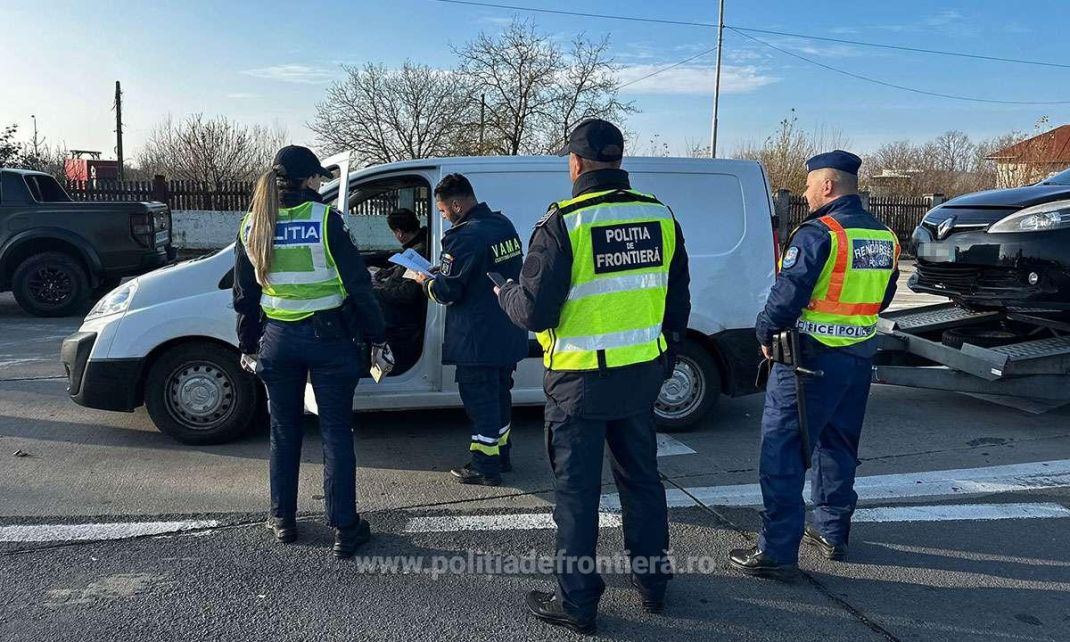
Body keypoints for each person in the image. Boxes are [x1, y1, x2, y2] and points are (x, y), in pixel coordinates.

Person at [497, 118, 691, 634]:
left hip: (579, 383)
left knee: (577, 495)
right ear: (619, 160)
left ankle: (578, 602)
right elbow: (678, 305)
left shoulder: (564, 222)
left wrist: (503, 294)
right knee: (642, 482)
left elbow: (535, 313)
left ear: (575, 163)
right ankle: (653, 585)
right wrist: (662, 360)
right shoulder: (660, 216)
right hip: (641, 377)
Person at [729, 150, 899, 579]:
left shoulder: (821, 233)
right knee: (838, 446)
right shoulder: (884, 236)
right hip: (858, 357)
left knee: (783, 452)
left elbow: (787, 295)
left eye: (809, 186)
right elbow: (883, 297)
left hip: (808, 361)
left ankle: (776, 551)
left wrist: (765, 334)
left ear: (828, 185)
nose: (805, 195)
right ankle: (831, 532)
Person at [233, 145, 389, 559]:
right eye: (317, 177)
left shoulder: (253, 223)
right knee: (336, 432)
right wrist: (377, 337)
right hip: (329, 338)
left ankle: (282, 519)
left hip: (278, 340)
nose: (321, 182)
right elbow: (359, 286)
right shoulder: (325, 221)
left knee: (284, 432)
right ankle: (344, 529)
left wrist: (247, 344)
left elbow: (244, 294)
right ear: (307, 180)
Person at [413, 174, 527, 486]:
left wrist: (425, 283)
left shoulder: (462, 237)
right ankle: (501, 455)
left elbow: (448, 292)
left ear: (457, 205)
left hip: (477, 338)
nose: (443, 216)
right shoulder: (503, 225)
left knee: (481, 401)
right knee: (500, 394)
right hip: (507, 328)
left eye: (442, 211)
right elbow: (486, 269)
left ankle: (484, 465)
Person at [372, 208, 429, 373]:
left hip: (400, 319)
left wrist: (374, 292)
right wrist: (389, 271)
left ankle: (380, 373)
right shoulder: (418, 245)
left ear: (399, 233)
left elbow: (406, 293)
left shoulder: (419, 251)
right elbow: (405, 269)